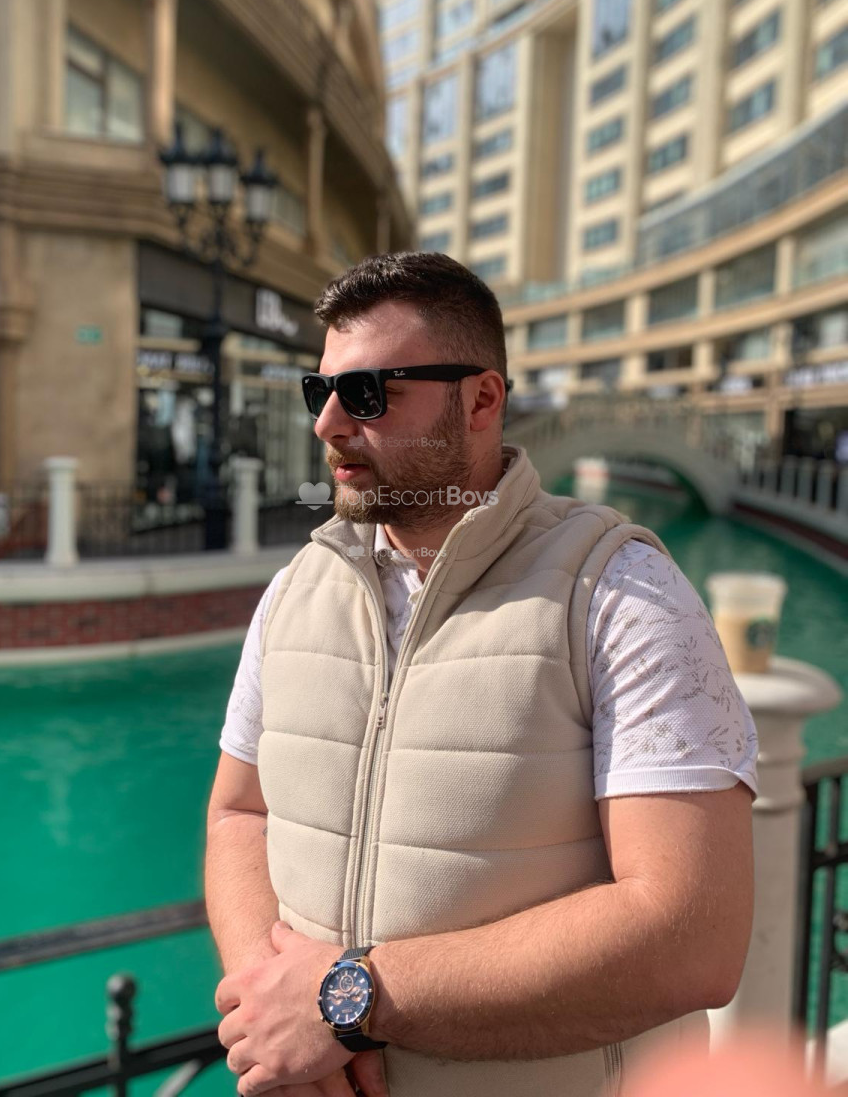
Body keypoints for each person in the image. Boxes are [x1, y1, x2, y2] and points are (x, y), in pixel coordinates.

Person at [206, 253, 758, 1097]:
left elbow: (692, 935)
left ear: (482, 401)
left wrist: (348, 1001)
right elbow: (239, 813)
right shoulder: (293, 593)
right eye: (319, 392)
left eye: (367, 394)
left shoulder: (620, 592)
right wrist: (275, 1012)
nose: (328, 424)